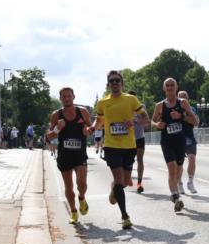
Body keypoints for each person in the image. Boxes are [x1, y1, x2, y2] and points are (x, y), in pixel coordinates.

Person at [93, 70, 149, 229]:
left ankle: (114, 190)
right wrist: (91, 129)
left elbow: (145, 119)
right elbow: (99, 122)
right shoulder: (103, 103)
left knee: (123, 183)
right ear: (108, 84)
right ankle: (125, 216)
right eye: (112, 81)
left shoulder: (131, 99)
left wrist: (134, 120)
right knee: (119, 180)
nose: (115, 83)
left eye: (117, 80)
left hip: (129, 146)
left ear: (122, 83)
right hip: (111, 146)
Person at [152, 79, 200, 212]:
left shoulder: (183, 103)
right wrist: (157, 125)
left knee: (179, 170)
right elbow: (153, 121)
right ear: (164, 88)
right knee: (172, 168)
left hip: (180, 141)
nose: (170, 87)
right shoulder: (159, 106)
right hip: (167, 141)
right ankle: (175, 197)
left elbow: (195, 121)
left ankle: (176, 190)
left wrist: (181, 116)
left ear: (176, 87)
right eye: (167, 85)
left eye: (172, 85)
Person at [48, 87, 92, 224]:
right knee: (69, 187)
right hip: (65, 155)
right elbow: (48, 137)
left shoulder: (82, 112)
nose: (66, 98)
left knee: (82, 183)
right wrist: (57, 128)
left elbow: (91, 129)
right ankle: (73, 211)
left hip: (80, 154)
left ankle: (82, 198)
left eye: (69, 96)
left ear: (74, 96)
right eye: (64, 97)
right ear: (60, 99)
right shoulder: (56, 115)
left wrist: (87, 130)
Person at [178, 91, 199, 194]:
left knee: (192, 159)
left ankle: (190, 182)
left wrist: (182, 117)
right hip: (177, 138)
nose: (183, 99)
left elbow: (196, 122)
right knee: (179, 164)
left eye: (184, 97)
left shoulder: (192, 109)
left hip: (189, 137)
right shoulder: (174, 108)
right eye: (180, 97)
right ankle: (179, 183)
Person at [127, 90, 146, 192]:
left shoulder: (141, 107)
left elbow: (146, 122)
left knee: (140, 160)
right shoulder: (124, 108)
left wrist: (136, 120)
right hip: (128, 138)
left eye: (133, 98)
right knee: (129, 160)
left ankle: (139, 183)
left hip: (139, 137)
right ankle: (128, 177)